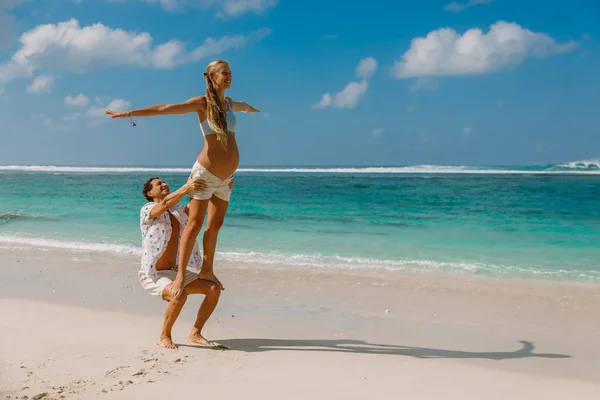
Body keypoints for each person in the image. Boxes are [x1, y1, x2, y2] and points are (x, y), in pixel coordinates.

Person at [106, 60, 259, 295]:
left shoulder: (229, 103)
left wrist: (249, 108)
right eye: (224, 73)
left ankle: (207, 270)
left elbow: (243, 105)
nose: (229, 76)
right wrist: (128, 113)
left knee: (215, 225)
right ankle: (179, 277)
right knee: (195, 224)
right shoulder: (201, 103)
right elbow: (164, 109)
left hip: (225, 178)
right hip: (205, 174)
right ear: (211, 77)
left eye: (230, 72)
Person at [138, 176, 233, 349]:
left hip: (174, 271)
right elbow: (165, 204)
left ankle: (195, 333)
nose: (164, 184)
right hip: (154, 274)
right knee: (178, 295)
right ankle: (164, 336)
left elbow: (198, 203)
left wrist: (220, 187)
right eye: (159, 184)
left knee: (214, 289)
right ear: (150, 193)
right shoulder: (147, 210)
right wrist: (186, 187)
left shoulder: (177, 213)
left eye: (164, 181)